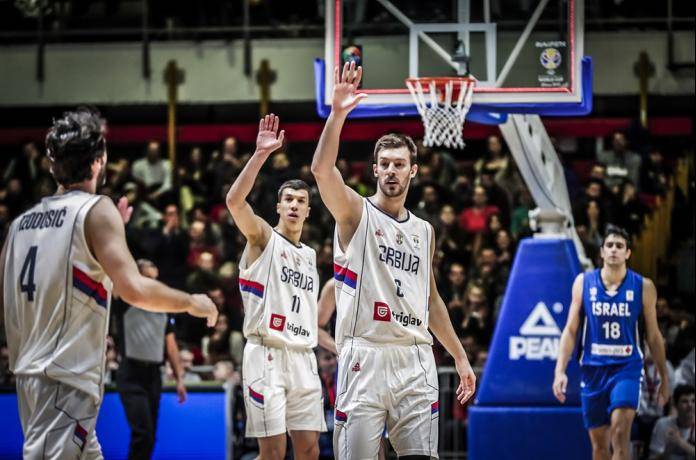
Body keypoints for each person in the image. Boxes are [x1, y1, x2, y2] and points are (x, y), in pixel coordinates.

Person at [0, 107, 218, 459]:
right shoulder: (94, 211)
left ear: (52, 162)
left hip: (31, 377)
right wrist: (192, 301)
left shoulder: (20, 224)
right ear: (100, 159)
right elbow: (135, 289)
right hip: (64, 380)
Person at [311, 61, 476, 459]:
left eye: (399, 164)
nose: (390, 171)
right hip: (364, 356)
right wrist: (337, 114)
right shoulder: (355, 213)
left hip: (414, 358)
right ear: (374, 170)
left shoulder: (425, 231)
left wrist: (459, 355)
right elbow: (321, 170)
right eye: (384, 164)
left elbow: (431, 300)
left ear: (412, 171)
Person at [226, 114, 326, 459]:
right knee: (273, 452)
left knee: (310, 450)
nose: (295, 205)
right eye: (289, 200)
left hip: (303, 356)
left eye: (301, 201)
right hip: (266, 354)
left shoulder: (311, 256)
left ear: (309, 211)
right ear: (279, 207)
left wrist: (337, 344)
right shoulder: (263, 237)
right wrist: (259, 155)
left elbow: (309, 316)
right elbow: (235, 203)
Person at [553, 225, 670, 460]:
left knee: (619, 433)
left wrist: (664, 377)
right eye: (610, 245)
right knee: (599, 446)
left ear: (627, 253)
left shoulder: (643, 287)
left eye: (620, 246)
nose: (614, 250)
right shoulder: (583, 283)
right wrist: (560, 371)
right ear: (602, 251)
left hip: (627, 367)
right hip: (593, 368)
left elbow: (654, 336)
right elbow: (570, 329)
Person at [113, 259, 188, 460]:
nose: (153, 285)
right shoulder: (124, 300)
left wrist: (180, 379)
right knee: (142, 433)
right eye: (147, 279)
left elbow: (171, 345)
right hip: (131, 373)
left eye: (155, 279)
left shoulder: (163, 307)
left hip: (154, 375)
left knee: (151, 435)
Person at [649, 385, 695, 460]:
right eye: (685, 401)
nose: (690, 405)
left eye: (693, 401)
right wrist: (668, 451)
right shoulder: (663, 424)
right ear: (676, 405)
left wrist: (681, 442)